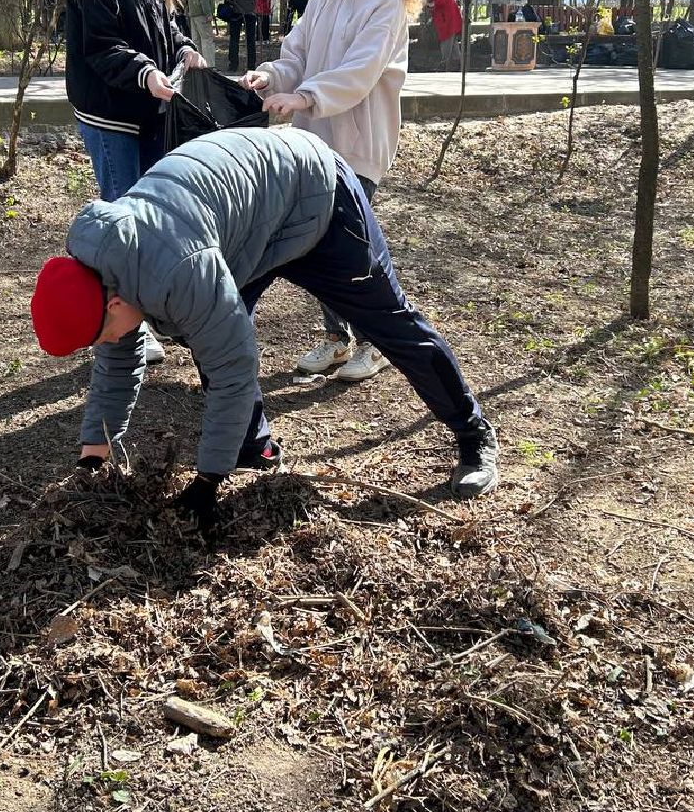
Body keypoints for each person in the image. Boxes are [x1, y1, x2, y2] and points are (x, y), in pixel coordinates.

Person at [29, 127, 500, 532]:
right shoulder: (100, 267)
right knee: (211, 335)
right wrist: (94, 452)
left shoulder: (178, 272)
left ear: (113, 302)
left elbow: (232, 366)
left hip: (316, 198)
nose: (112, 342)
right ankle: (255, 447)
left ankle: (473, 432)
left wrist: (207, 481)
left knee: (390, 324)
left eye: (105, 333)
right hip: (247, 225)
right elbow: (116, 360)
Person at [241, 0, 422, 384]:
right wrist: (270, 77)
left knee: (352, 251)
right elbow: (295, 57)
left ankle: (372, 342)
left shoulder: (386, 4)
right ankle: (339, 339)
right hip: (313, 142)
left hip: (358, 147)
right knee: (315, 246)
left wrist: (305, 98)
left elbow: (359, 71)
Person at [63, 0, 205, 365]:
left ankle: (139, 315)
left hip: (147, 110)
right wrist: (145, 72)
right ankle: (122, 330)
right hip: (110, 115)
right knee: (121, 219)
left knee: (147, 218)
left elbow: (164, 25)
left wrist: (183, 47)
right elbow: (101, 48)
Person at [430, 0, 462, 69]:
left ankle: (444, 67)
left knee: (446, 46)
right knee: (454, 47)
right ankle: (458, 67)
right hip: (453, 23)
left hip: (446, 25)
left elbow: (439, 2)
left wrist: (431, 4)